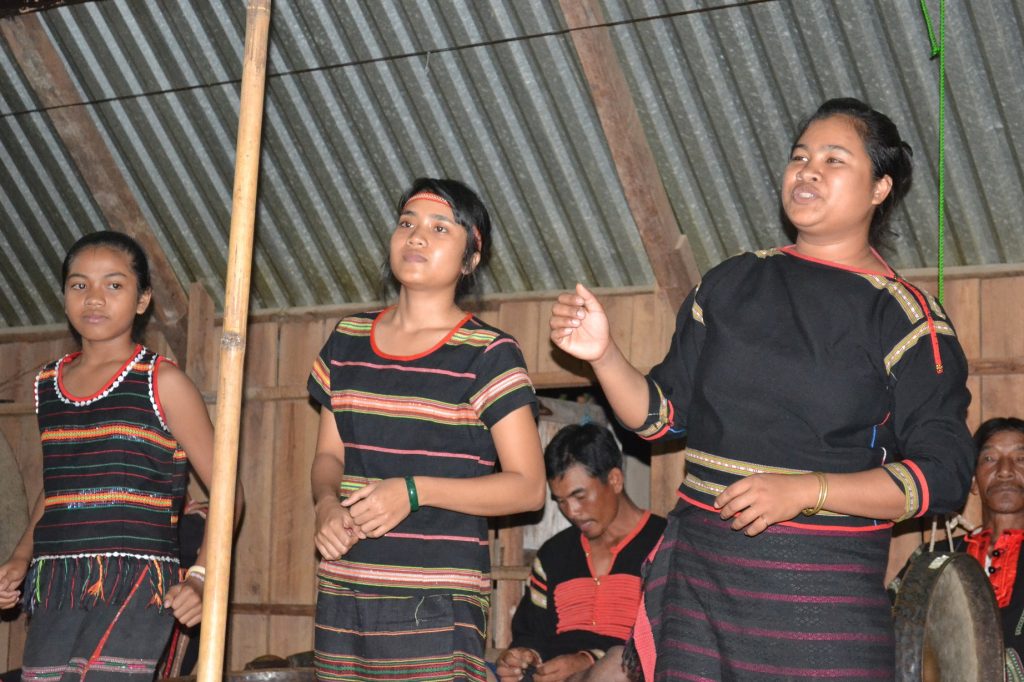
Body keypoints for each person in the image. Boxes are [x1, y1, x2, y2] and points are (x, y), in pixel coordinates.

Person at [549, 97, 976, 680]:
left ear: (880, 188)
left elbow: (944, 476)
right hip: (700, 585)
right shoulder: (731, 283)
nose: (808, 170)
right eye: (800, 156)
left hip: (819, 601)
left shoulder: (905, 318)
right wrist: (603, 355)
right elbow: (659, 417)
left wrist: (808, 491)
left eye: (834, 160)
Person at [308, 177, 546, 681]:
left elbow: (528, 487)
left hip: (436, 602)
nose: (416, 237)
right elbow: (330, 456)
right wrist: (326, 504)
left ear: (471, 258)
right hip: (344, 591)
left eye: (440, 228)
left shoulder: (488, 353)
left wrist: (413, 492)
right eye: (407, 224)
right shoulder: (346, 340)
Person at [0, 231, 242, 681]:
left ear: (142, 299)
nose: (94, 298)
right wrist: (19, 558)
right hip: (56, 583)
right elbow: (59, 490)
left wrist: (202, 577)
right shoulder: (48, 384)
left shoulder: (162, 382)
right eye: (79, 285)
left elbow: (231, 493)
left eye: (114, 285)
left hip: (133, 584)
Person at [496, 424, 666, 682]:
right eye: (561, 501)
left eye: (579, 495)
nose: (571, 511)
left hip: (624, 672)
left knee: (618, 667)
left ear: (615, 480)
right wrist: (524, 656)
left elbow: (669, 636)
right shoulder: (554, 554)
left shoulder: (664, 543)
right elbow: (532, 632)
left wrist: (588, 659)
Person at [956, 417, 1024, 674]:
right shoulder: (936, 557)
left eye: (1020, 459)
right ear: (973, 481)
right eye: (989, 459)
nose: (1005, 470)